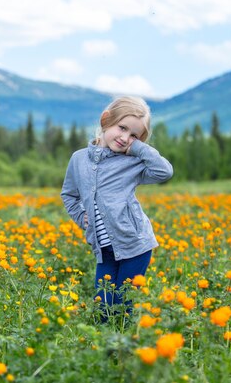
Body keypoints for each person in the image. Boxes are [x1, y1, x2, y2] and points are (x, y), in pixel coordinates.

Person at [60, 96, 173, 322]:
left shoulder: (131, 162)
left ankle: (122, 351)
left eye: (134, 135)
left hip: (135, 245)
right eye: (122, 128)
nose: (125, 138)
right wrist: (80, 216)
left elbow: (164, 172)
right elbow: (69, 195)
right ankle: (104, 351)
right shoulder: (78, 159)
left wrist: (139, 148)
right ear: (106, 120)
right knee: (102, 306)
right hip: (104, 251)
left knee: (124, 305)